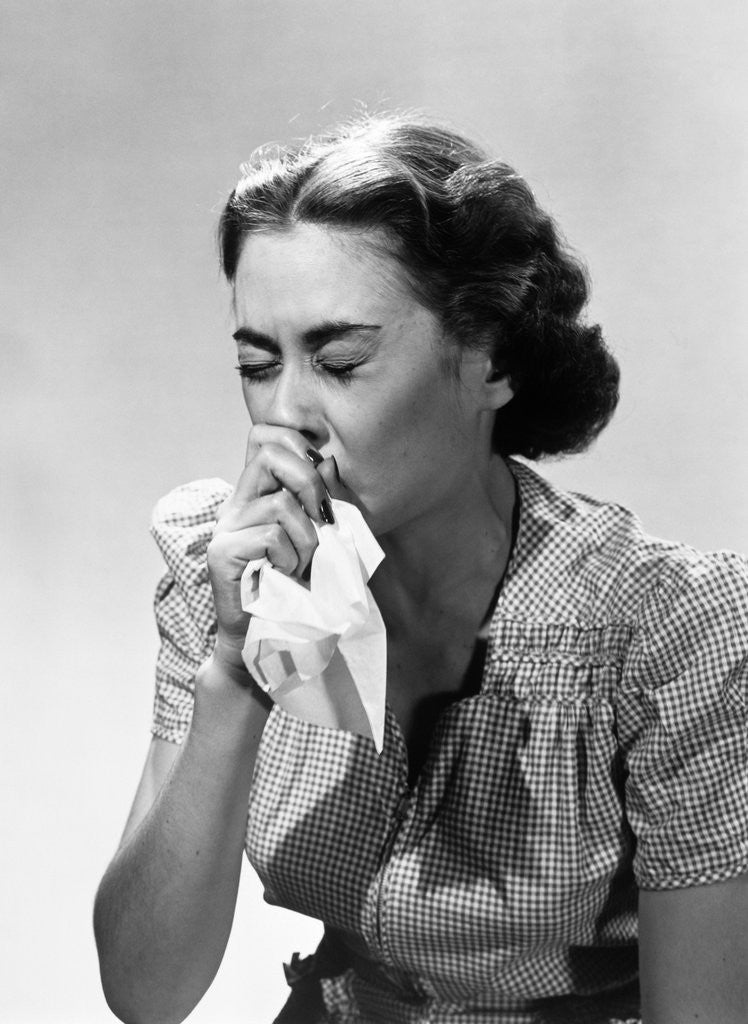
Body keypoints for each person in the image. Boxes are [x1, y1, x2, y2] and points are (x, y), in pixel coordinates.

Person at [93, 114, 748, 1024]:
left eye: (341, 360)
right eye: (256, 363)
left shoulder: (666, 628)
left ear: (490, 359)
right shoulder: (227, 576)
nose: (287, 418)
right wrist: (237, 673)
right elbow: (145, 992)